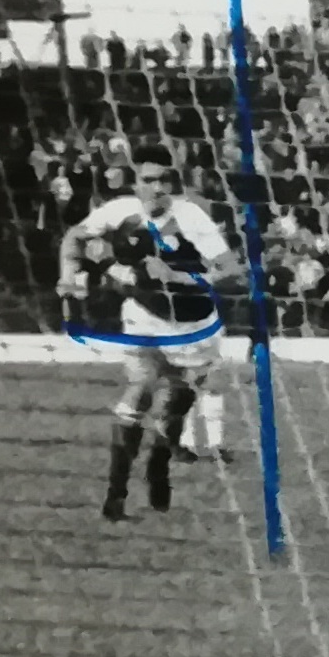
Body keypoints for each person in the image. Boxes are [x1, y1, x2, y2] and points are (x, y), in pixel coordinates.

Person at [58, 150, 237, 519]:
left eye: (163, 181)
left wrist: (176, 278)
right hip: (143, 315)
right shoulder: (118, 211)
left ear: (173, 186)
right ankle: (116, 494)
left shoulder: (191, 218)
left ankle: (159, 464)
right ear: (135, 183)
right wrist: (69, 275)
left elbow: (231, 270)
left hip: (192, 324)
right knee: (138, 391)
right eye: (148, 180)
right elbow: (74, 238)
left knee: (175, 407)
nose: (156, 188)